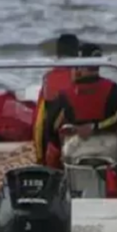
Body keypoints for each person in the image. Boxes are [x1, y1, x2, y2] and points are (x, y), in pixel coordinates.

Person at [41, 42, 117, 168]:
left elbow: (51, 128)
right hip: (110, 149)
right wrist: (96, 127)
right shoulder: (114, 90)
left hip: (75, 149)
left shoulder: (65, 95)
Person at [33, 34, 81, 164]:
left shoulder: (48, 79)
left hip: (55, 148)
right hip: (81, 145)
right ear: (78, 54)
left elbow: (38, 124)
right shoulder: (83, 78)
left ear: (58, 54)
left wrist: (40, 157)